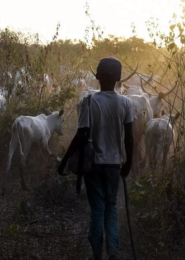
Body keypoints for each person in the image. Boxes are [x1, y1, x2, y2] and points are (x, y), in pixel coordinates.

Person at [58, 57, 135, 260]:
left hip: (93, 166)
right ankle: (113, 251)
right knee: (111, 208)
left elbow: (81, 135)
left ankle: (96, 254)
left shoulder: (89, 102)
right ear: (119, 79)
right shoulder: (126, 103)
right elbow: (130, 137)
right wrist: (128, 163)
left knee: (97, 210)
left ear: (97, 78)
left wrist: (64, 160)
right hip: (114, 166)